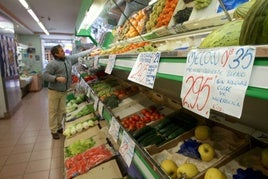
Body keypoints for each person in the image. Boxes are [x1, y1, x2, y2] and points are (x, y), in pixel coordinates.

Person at [43, 45, 91, 139]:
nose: (63, 52)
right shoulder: (52, 64)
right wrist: (56, 78)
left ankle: (59, 127)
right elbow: (45, 75)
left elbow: (78, 55)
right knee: (53, 111)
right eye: (61, 51)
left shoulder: (68, 59)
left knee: (62, 111)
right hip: (54, 91)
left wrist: (91, 50)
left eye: (63, 50)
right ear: (56, 54)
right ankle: (53, 131)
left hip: (64, 91)